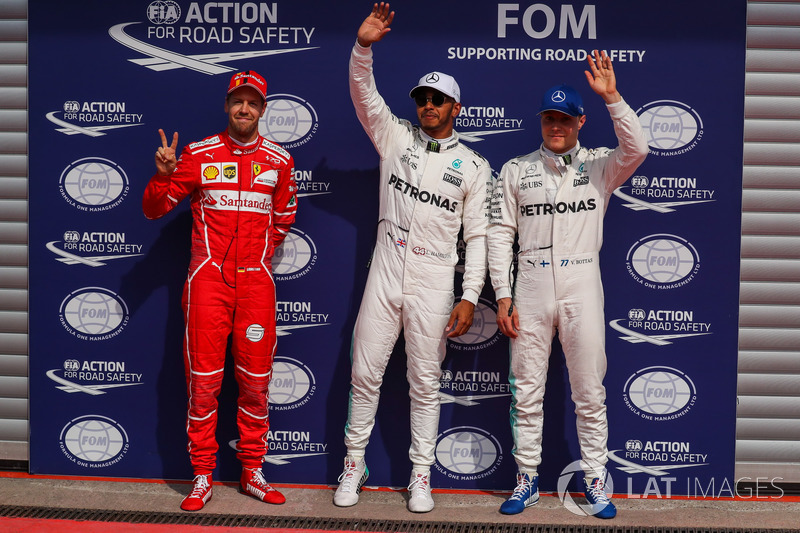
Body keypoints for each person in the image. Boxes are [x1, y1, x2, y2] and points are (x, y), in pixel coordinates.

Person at [333, 2, 492, 513]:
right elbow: (363, 96)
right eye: (423, 97)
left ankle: (421, 475)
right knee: (365, 371)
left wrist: (469, 297)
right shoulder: (395, 136)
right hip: (385, 267)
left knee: (425, 381)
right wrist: (363, 48)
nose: (428, 105)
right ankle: (353, 464)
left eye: (438, 99)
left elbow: (481, 237)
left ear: (455, 108)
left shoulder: (473, 165)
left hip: (434, 277)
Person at [488, 50, 648, 519]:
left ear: (580, 122)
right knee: (526, 391)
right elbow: (500, 234)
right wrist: (501, 293)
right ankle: (527, 479)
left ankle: (596, 480)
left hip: (582, 284)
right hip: (530, 288)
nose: (556, 126)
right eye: (549, 118)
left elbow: (638, 149)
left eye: (564, 119)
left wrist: (612, 97)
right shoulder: (515, 170)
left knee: (589, 391)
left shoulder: (600, 165)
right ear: (541, 122)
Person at [142, 70, 298, 512]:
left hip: (255, 285)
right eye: (237, 101)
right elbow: (155, 209)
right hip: (207, 283)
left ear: (263, 109)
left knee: (255, 385)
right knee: (204, 385)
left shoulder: (279, 160)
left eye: (252, 103)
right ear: (227, 106)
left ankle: (252, 471)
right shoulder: (198, 154)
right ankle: (202, 476)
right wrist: (162, 176)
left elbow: (285, 216)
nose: (244, 109)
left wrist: (259, 255)